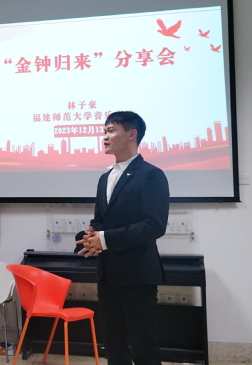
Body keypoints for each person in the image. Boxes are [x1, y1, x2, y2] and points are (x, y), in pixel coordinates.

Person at [76, 111, 169, 365]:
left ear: (131, 134)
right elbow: (100, 219)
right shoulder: (104, 178)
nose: (104, 137)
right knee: (113, 344)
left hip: (138, 273)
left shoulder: (151, 175)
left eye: (111, 130)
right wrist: (92, 236)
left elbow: (154, 225)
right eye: (104, 131)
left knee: (144, 345)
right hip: (108, 273)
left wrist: (105, 239)